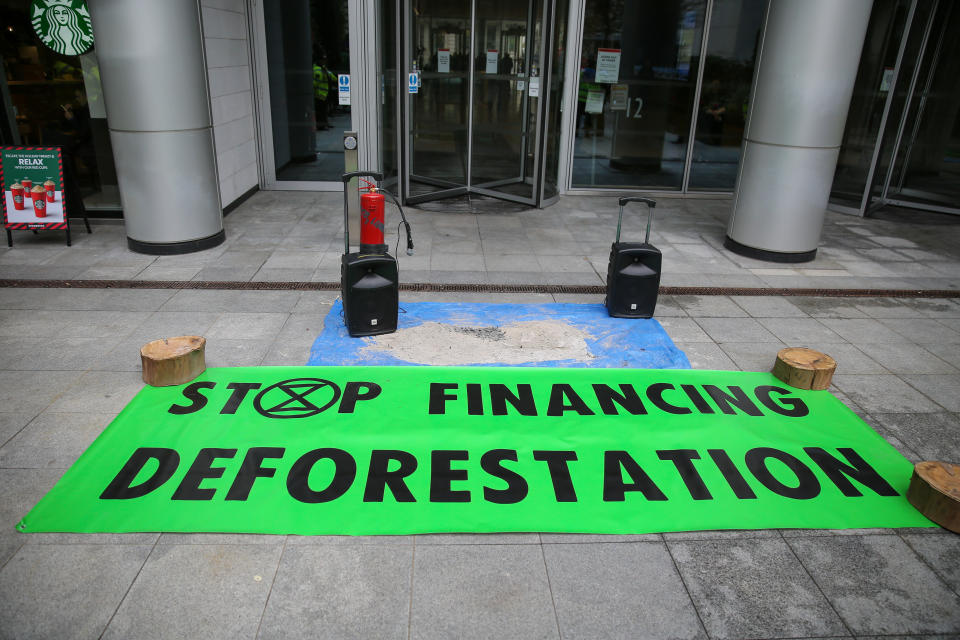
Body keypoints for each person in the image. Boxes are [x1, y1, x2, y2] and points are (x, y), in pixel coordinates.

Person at [313, 54, 337, 130]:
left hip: (325, 94)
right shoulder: (317, 70)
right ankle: (321, 125)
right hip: (319, 94)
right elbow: (315, 83)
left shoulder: (324, 68)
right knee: (320, 111)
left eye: (325, 60)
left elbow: (333, 77)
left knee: (324, 110)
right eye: (323, 60)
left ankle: (325, 123)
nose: (324, 61)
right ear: (319, 60)